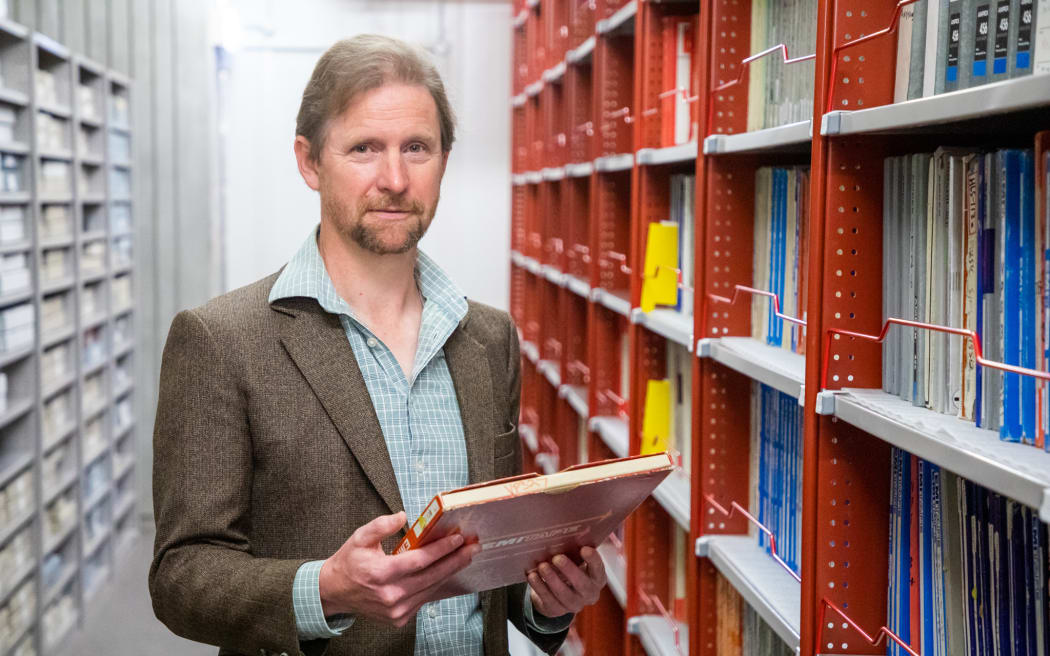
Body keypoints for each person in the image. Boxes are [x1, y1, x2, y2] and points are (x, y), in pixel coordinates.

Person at [148, 34, 608, 656]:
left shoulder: (488, 338)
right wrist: (325, 589)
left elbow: (492, 569)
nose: (394, 179)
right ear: (309, 162)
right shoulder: (223, 342)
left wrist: (546, 602)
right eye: (364, 148)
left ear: (444, 158)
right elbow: (181, 576)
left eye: (417, 148)